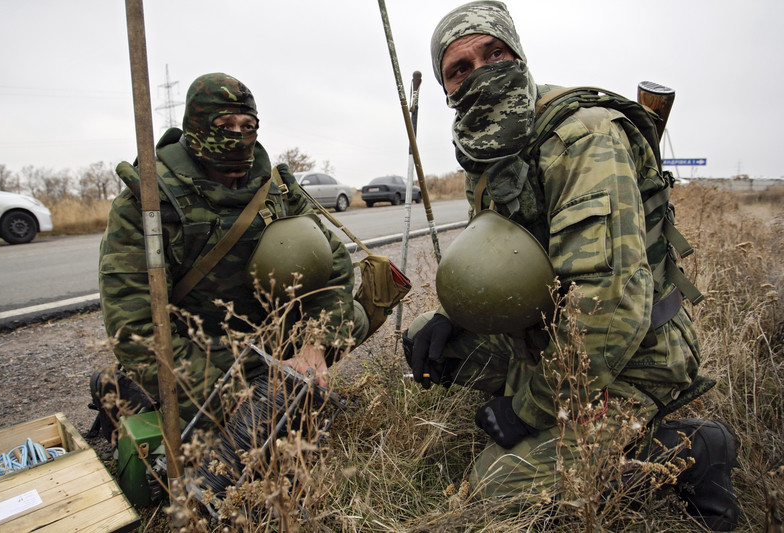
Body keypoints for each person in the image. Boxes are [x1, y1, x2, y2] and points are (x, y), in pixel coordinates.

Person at [403, 2, 738, 530]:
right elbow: (513, 268)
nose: (480, 73)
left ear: (518, 54)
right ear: (448, 90)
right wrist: (458, 319)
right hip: (558, 336)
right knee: (430, 340)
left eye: (494, 53)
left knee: (497, 488)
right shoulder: (491, 153)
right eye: (459, 68)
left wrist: (526, 410)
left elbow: (610, 309)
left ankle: (688, 451)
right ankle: (561, 414)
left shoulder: (583, 138)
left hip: (637, 351)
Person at [99, 72, 367, 428]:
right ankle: (135, 391)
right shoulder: (146, 203)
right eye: (224, 124)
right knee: (226, 456)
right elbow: (133, 323)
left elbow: (332, 264)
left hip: (270, 337)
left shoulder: (278, 190)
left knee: (356, 318)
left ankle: (280, 379)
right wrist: (228, 399)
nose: (239, 136)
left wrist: (314, 346)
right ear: (196, 126)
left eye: (248, 125)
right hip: (201, 351)